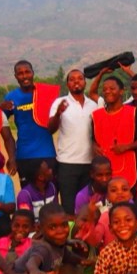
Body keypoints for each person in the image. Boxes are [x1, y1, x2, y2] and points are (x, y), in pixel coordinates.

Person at [0, 61, 59, 187]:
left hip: (47, 153)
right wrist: (11, 156)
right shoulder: (11, 97)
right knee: (28, 197)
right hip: (24, 156)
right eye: (20, 73)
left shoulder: (45, 93)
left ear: (33, 73)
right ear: (15, 76)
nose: (24, 76)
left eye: (27, 72)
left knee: (50, 197)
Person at [49, 69, 99, 214]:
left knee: (87, 208)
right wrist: (58, 113)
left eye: (80, 78)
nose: (76, 81)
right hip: (67, 164)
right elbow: (51, 129)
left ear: (85, 82)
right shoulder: (59, 102)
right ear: (67, 84)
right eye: (72, 79)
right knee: (69, 207)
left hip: (89, 164)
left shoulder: (93, 105)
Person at [91, 74, 137, 189]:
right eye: (105, 89)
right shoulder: (96, 115)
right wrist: (94, 146)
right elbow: (93, 139)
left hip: (128, 168)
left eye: (112, 89)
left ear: (121, 91)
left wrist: (126, 147)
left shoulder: (133, 113)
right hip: (104, 171)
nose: (107, 92)